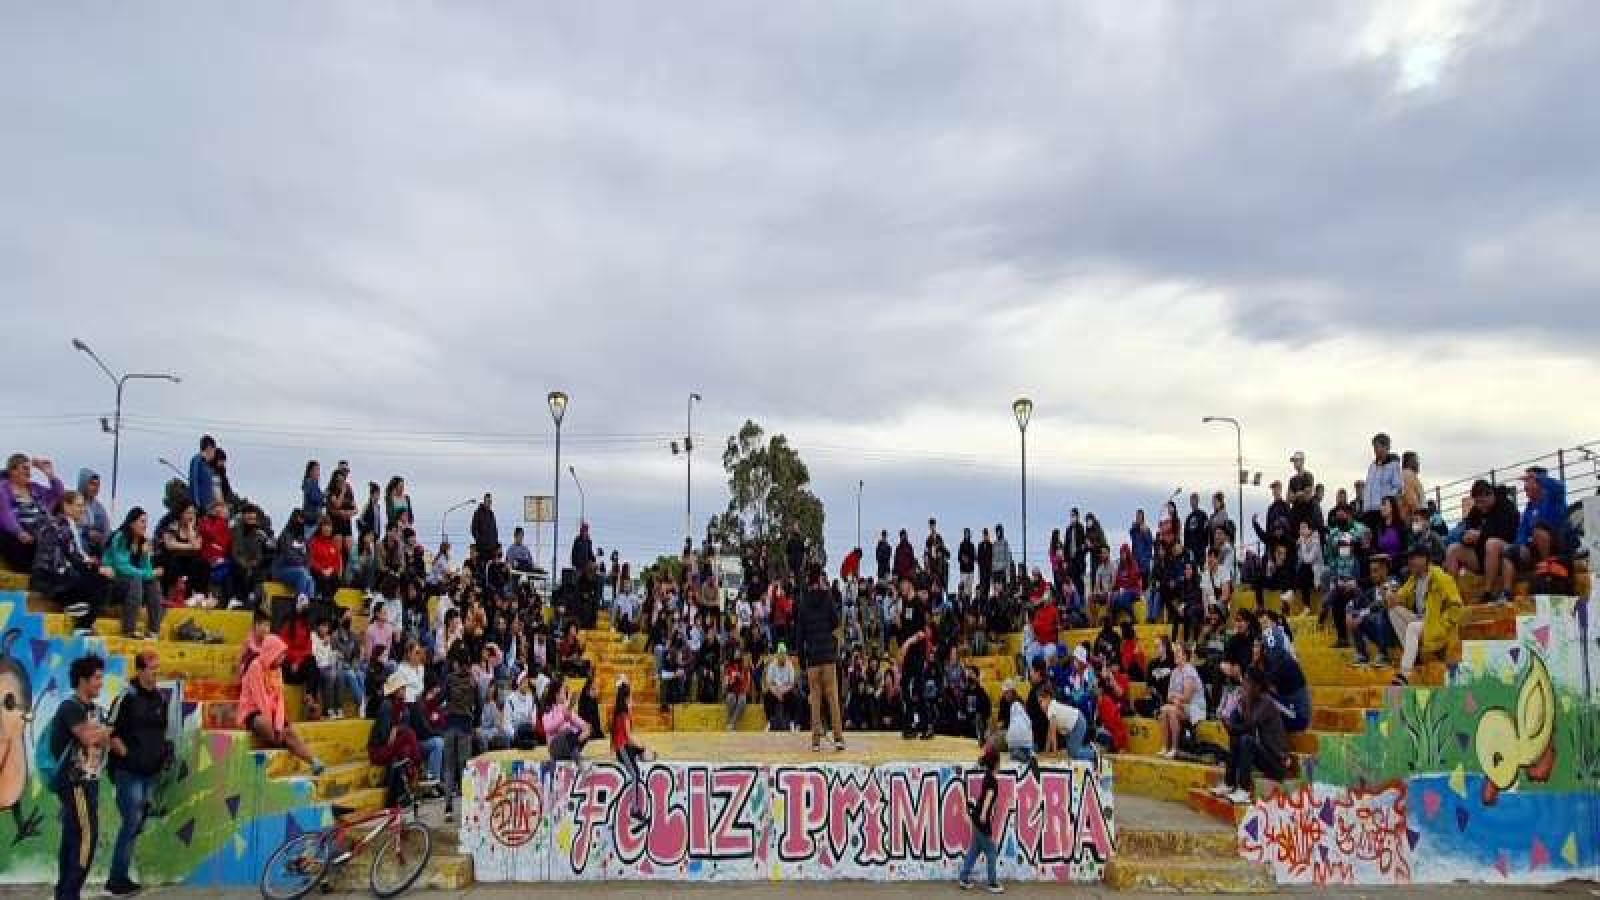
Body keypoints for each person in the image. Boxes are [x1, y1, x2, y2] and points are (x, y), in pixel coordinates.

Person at [106, 651, 168, 897]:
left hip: (150, 772)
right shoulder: (126, 698)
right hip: (129, 772)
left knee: (137, 822)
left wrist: (162, 755)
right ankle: (116, 879)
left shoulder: (160, 699)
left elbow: (161, 731)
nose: (155, 674)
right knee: (131, 821)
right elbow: (110, 732)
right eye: (152, 669)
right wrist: (125, 754)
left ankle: (122, 875)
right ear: (140, 670)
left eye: (157, 669)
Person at [51, 655, 108, 900]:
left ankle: (64, 892)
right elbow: (89, 738)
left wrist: (104, 731)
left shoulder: (93, 710)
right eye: (96, 678)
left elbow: (102, 740)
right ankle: (70, 893)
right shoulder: (70, 707)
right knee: (87, 837)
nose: (100, 683)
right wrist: (111, 727)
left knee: (72, 837)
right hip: (76, 783)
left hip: (90, 782)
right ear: (82, 680)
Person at [237, 635, 325, 774]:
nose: (283, 657)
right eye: (280, 654)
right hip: (253, 710)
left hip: (272, 712)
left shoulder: (277, 670)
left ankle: (314, 761)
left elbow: (279, 700)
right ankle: (281, 741)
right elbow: (260, 699)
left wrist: (279, 724)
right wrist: (275, 729)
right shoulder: (255, 666)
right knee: (264, 724)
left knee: (290, 732)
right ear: (271, 652)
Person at [31, 491, 113, 635]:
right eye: (78, 506)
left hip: (61, 575)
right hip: (52, 578)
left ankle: (75, 608)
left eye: (83, 506)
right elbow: (73, 557)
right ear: (66, 506)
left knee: (101, 580)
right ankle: (82, 625)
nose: (82, 510)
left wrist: (93, 565)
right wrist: (98, 568)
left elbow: (76, 555)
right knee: (102, 581)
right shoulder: (60, 525)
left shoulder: (69, 525)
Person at [1212, 667, 1289, 805]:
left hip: (1277, 764)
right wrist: (1227, 720)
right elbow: (1235, 730)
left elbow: (1249, 725)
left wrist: (1244, 703)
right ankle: (1229, 783)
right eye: (1244, 682)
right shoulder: (1251, 702)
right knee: (1237, 739)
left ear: (1257, 686)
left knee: (1246, 740)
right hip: (1263, 756)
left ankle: (1244, 790)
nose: (1243, 685)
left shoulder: (1266, 702)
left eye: (1247, 682)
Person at [1390, 545, 1463, 686]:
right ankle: (1414, 654)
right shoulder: (1413, 579)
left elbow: (1457, 606)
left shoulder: (1441, 577)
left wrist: (1443, 626)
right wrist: (1391, 597)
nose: (1410, 562)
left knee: (1412, 627)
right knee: (1393, 610)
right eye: (1409, 559)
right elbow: (1400, 597)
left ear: (1425, 559)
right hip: (1422, 622)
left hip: (1436, 625)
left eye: (1414, 558)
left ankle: (1404, 674)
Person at [793, 566, 845, 752]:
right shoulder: (827, 598)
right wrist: (835, 648)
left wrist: (800, 659)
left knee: (815, 699)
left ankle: (815, 741)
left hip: (813, 657)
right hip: (828, 656)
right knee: (832, 698)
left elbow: (799, 635)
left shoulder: (803, 602)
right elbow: (836, 624)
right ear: (820, 579)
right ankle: (838, 738)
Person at [1447, 480, 1519, 604]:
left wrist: (1482, 535)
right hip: (1481, 555)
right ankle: (1451, 595)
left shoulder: (1506, 506)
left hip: (1503, 552)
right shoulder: (1476, 510)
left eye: (1482, 501)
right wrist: (1465, 537)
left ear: (1490, 495)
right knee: (1453, 549)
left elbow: (1508, 532)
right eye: (1477, 502)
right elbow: (1466, 527)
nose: (1480, 505)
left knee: (1492, 543)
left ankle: (1488, 592)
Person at [368, 672, 430, 806]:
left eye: (404, 688)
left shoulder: (403, 707)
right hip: (379, 750)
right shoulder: (386, 706)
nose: (404, 690)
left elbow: (398, 736)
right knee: (408, 733)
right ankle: (418, 768)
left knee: (406, 750)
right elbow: (386, 738)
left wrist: (397, 731)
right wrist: (397, 730)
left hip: (394, 746)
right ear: (395, 690)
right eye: (402, 688)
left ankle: (406, 792)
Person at [106, 508, 163, 639]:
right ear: (132, 523)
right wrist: (149, 574)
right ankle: (129, 629)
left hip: (132, 587)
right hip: (111, 584)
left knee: (153, 583)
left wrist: (144, 556)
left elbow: (147, 572)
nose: (145, 525)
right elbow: (122, 568)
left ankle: (153, 631)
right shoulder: (120, 537)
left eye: (146, 522)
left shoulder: (142, 541)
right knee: (136, 580)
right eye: (142, 521)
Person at [1, 453, 64, 571]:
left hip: (42, 532)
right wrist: (18, 531)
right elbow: (5, 513)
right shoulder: (3, 489)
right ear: (12, 471)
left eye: (29, 469)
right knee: (50, 530)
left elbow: (59, 495)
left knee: (62, 526)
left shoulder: (35, 488)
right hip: (19, 537)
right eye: (25, 468)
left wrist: (49, 474)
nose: (29, 472)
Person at [957, 742, 1005, 894]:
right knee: (991, 851)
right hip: (981, 819)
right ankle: (992, 883)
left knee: (975, 849)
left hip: (976, 817)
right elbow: (988, 798)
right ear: (996, 763)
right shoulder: (992, 781)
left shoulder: (987, 777)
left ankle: (963, 878)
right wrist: (984, 815)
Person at [440, 651, 477, 823]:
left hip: (449, 725)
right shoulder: (473, 681)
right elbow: (479, 704)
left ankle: (448, 808)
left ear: (456, 664)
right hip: (465, 726)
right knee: (464, 767)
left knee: (449, 767)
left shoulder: (449, 679)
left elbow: (442, 697)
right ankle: (467, 807)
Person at [611, 679, 654, 825]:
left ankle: (646, 755)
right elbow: (628, 738)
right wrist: (641, 747)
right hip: (622, 749)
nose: (632, 701)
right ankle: (634, 810)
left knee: (646, 752)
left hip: (624, 747)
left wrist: (641, 746)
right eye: (631, 698)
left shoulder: (622, 712)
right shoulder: (623, 714)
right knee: (634, 775)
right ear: (626, 699)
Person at [1157, 642, 1204, 759]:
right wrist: (1177, 698)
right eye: (1175, 651)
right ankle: (1165, 747)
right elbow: (1168, 696)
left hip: (1195, 708)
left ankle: (1174, 748)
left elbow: (1187, 697)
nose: (1175, 654)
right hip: (1180, 706)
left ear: (1185, 656)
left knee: (1171, 710)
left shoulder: (1190, 671)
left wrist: (1176, 698)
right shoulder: (1174, 672)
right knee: (1164, 710)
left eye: (1178, 651)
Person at [1042, 682, 1096, 763]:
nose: (1041, 705)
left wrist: (1055, 752)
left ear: (1048, 698)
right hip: (1076, 722)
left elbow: (1053, 734)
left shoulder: (1051, 708)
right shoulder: (1051, 707)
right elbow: (1049, 733)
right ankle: (1089, 749)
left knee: (1073, 753)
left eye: (1042, 702)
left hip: (1078, 723)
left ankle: (1093, 754)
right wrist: (1046, 751)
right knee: (1071, 750)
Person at [541, 677, 591, 763]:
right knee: (567, 733)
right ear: (556, 695)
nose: (565, 694)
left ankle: (574, 752)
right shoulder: (548, 708)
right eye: (563, 692)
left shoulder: (566, 708)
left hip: (569, 743)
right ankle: (577, 758)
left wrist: (586, 728)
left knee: (585, 729)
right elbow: (548, 727)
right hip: (555, 746)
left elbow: (580, 722)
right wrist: (563, 717)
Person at [1362, 434, 1403, 533]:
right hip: (1368, 512)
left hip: (1381, 512)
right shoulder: (1372, 466)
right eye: (1374, 447)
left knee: (1379, 542)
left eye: (1377, 446)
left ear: (1386, 447)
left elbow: (1398, 488)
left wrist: (1386, 501)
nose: (1375, 450)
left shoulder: (1394, 465)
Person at [763, 644, 800, 731]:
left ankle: (792, 723)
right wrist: (776, 692)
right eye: (781, 655)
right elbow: (769, 682)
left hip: (785, 690)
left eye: (784, 655)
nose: (782, 657)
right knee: (766, 696)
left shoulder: (789, 664)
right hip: (775, 691)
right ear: (777, 655)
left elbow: (791, 683)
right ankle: (769, 722)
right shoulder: (772, 665)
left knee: (795, 697)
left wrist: (782, 691)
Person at [307, 515, 343, 603]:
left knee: (336, 580)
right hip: (317, 572)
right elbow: (310, 560)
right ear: (320, 528)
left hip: (330, 573)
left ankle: (327, 600)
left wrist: (331, 569)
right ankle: (327, 601)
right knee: (324, 579)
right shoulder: (313, 542)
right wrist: (321, 570)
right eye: (325, 526)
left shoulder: (332, 544)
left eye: (329, 526)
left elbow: (337, 561)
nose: (328, 529)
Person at [75, 469, 110, 557]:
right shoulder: (71, 503)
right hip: (75, 551)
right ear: (83, 484)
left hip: (96, 554)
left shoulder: (100, 509)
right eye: (92, 484)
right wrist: (86, 533)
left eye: (98, 485)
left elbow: (106, 532)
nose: (96, 488)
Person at [471, 493, 499, 558]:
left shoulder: (491, 514)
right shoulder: (478, 513)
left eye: (490, 501)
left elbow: (494, 529)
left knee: (491, 567)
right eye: (487, 501)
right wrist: (480, 540)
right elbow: (473, 529)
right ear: (484, 501)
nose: (489, 503)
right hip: (482, 548)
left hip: (492, 548)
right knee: (482, 567)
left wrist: (496, 543)